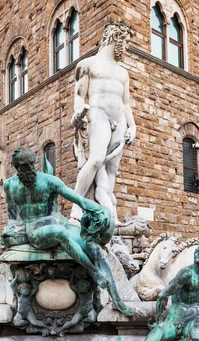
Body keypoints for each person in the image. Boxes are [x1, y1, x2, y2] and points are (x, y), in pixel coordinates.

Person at [0, 148, 132, 317]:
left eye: (31, 164)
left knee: (92, 245)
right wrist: (11, 229)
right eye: (24, 166)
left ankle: (117, 300)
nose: (29, 169)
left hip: (58, 222)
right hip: (36, 229)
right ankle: (95, 273)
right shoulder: (9, 185)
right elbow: (11, 215)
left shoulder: (49, 181)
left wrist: (100, 210)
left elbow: (80, 200)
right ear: (17, 167)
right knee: (60, 233)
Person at [70, 22, 136, 222]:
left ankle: (106, 213)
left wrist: (133, 125)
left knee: (111, 169)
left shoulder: (123, 73)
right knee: (97, 159)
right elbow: (80, 97)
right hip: (98, 114)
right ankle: (76, 208)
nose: (125, 48)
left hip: (120, 119)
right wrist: (78, 113)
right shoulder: (87, 65)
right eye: (124, 42)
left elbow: (125, 103)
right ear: (115, 39)